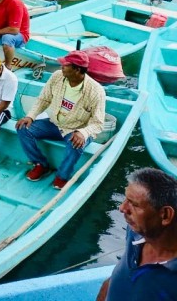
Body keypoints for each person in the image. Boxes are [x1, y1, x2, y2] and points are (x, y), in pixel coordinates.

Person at [16, 50, 106, 189]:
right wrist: (30, 116)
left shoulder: (96, 91)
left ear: (77, 69)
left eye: (65, 65)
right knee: (23, 128)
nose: (61, 67)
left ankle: (62, 175)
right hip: (55, 123)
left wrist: (84, 133)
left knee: (76, 144)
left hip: (77, 129)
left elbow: (98, 123)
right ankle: (40, 164)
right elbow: (44, 99)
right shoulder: (57, 77)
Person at [97, 168, 177, 300]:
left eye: (134, 204)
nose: (122, 208)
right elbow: (117, 279)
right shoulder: (135, 232)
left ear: (165, 215)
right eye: (125, 200)